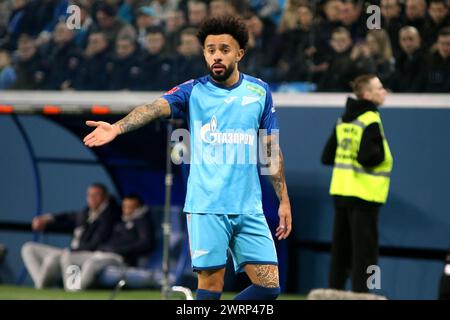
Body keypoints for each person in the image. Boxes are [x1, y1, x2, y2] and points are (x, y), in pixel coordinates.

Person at [83, 15, 292, 300]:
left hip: (249, 207)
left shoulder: (259, 91)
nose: (216, 56)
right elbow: (153, 108)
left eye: (224, 49)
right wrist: (117, 127)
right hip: (206, 207)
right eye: (210, 50)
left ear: (240, 53)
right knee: (211, 289)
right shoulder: (192, 91)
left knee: (269, 288)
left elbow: (270, 148)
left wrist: (284, 200)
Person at [321, 74, 393, 293]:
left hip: (341, 192)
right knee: (367, 252)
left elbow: (326, 156)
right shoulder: (371, 118)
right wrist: (381, 157)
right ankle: (368, 293)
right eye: (380, 88)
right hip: (366, 195)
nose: (384, 91)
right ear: (367, 94)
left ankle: (334, 291)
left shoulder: (343, 119)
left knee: (340, 249)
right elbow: (368, 157)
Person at [21, 183, 120, 289]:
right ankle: (40, 286)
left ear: (105, 197)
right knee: (28, 248)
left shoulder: (110, 215)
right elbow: (68, 216)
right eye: (89, 195)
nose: (92, 198)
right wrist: (47, 218)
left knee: (56, 258)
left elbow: (96, 242)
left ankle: (72, 290)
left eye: (96, 195)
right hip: (71, 251)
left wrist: (71, 251)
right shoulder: (86, 212)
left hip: (88, 254)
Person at [60, 194, 154, 290]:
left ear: (138, 208)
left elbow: (145, 243)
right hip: (101, 253)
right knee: (69, 257)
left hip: (118, 258)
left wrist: (120, 250)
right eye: (125, 206)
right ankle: (71, 289)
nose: (127, 210)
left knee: (91, 263)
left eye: (131, 207)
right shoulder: (120, 221)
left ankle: (76, 291)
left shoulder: (142, 222)